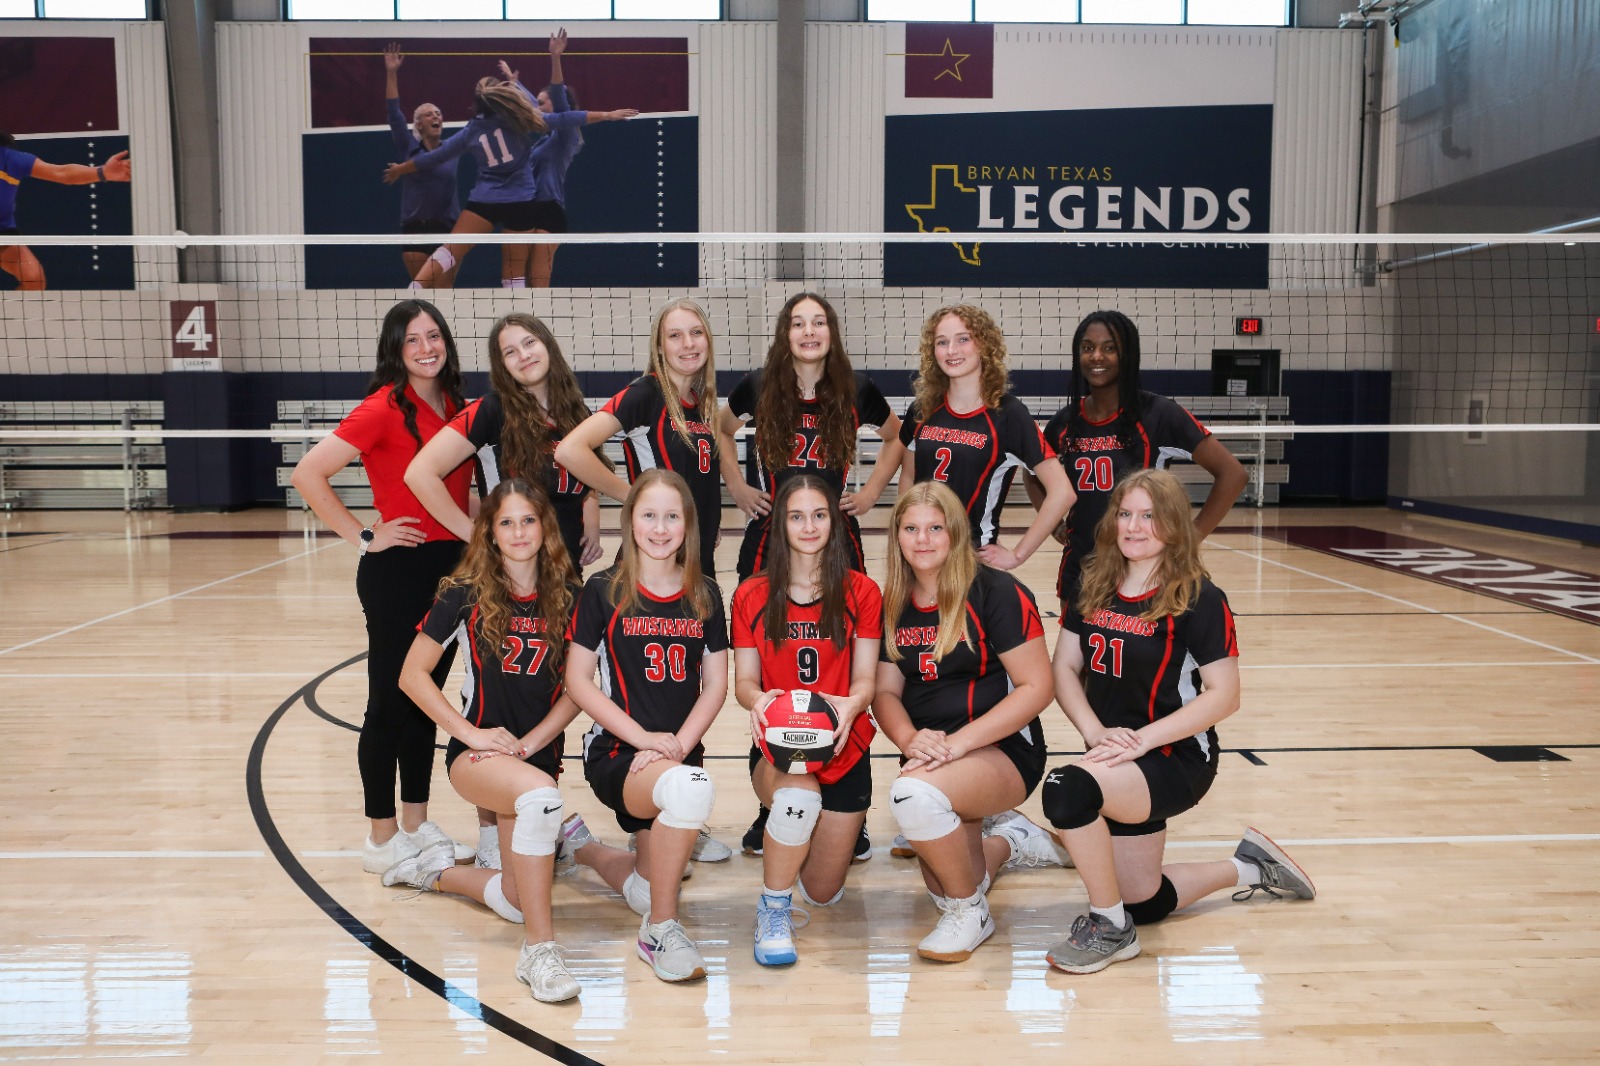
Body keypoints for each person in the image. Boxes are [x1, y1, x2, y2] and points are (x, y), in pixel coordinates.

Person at [1039, 469, 1314, 976]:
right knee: (1142, 900)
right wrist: (1095, 732)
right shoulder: (1092, 579)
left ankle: (1109, 929)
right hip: (1115, 753)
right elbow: (1064, 669)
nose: (1134, 527)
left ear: (1173, 525)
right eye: (1125, 514)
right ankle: (1250, 865)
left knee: (1066, 789)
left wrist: (1141, 740)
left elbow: (1225, 696)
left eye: (1149, 516)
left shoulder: (1199, 597)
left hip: (1176, 756)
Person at [386, 478, 631, 1003]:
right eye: (506, 522)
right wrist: (469, 732)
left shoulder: (571, 595)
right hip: (477, 757)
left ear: (545, 528)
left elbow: (577, 688)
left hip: (534, 756)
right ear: (490, 533)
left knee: (520, 898)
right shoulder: (464, 591)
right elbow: (411, 674)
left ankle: (434, 873)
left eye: (528, 520)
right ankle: (540, 952)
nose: (518, 532)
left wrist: (532, 743)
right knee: (541, 801)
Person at [290, 299, 475, 873]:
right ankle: (379, 839)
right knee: (389, 704)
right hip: (399, 569)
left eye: (433, 337)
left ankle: (415, 827)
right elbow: (308, 474)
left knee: (426, 702)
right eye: (412, 340)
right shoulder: (381, 409)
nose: (426, 348)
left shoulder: (458, 406)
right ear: (395, 351)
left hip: (454, 570)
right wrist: (364, 534)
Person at [718, 291, 899, 859]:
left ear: (832, 332)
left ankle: (850, 807)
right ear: (785, 334)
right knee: (772, 661)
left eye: (818, 322)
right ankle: (770, 802)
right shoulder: (757, 385)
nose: (809, 331)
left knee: (843, 665)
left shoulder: (856, 389)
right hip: (771, 537)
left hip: (834, 538)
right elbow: (721, 430)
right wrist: (741, 488)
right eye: (798, 323)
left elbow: (897, 438)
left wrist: (870, 493)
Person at [873, 481, 1057, 963]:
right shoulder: (892, 601)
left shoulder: (996, 591)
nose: (923, 539)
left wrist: (957, 745)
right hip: (935, 755)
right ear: (896, 536)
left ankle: (969, 911)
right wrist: (909, 737)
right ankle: (1010, 843)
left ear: (956, 532)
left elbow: (1038, 687)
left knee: (913, 796)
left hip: (1001, 750)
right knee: (942, 875)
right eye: (911, 528)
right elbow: (885, 693)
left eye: (936, 528)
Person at [563, 469, 730, 983]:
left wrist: (678, 744)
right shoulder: (602, 591)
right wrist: (644, 740)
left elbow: (717, 685)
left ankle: (582, 846)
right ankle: (660, 930)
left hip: (677, 755)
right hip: (619, 754)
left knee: (647, 884)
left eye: (672, 517)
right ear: (630, 520)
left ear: (689, 525)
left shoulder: (704, 592)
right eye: (649, 515)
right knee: (688, 792)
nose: (660, 528)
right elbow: (578, 682)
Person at [730, 476, 882, 966]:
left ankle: (798, 843)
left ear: (835, 521)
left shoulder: (862, 592)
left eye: (819, 514)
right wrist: (761, 701)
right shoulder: (752, 594)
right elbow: (744, 683)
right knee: (796, 798)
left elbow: (865, 681)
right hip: (782, 745)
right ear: (780, 524)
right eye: (796, 515)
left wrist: (847, 706)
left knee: (821, 893)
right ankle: (773, 907)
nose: (809, 525)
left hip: (844, 744)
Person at [1028, 309, 1248, 613]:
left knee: (1145, 657)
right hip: (1082, 568)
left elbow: (1233, 474)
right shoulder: (1064, 423)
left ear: (1127, 354)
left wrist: (1190, 538)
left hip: (1146, 569)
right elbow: (1031, 473)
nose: (1096, 357)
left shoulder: (1158, 414)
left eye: (1109, 347)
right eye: (1088, 348)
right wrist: (1052, 523)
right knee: (1077, 658)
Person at [382, 61, 636, 289]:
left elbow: (433, 158)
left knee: (450, 251)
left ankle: (414, 291)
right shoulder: (519, 119)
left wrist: (401, 169)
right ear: (502, 97)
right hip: (521, 201)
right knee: (513, 272)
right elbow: (565, 117)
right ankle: (520, 320)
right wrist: (606, 115)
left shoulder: (471, 131)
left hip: (486, 199)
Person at [406, 312, 603, 576]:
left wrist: (592, 525)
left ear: (547, 345)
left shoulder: (579, 414)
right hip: (508, 578)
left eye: (529, 343)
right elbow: (419, 474)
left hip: (565, 574)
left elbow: (588, 480)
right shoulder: (490, 411)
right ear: (502, 365)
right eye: (510, 352)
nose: (523, 355)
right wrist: (477, 536)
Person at [555, 298, 723, 581]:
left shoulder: (700, 402)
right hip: (654, 556)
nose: (688, 344)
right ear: (659, 347)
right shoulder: (646, 393)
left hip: (697, 553)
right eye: (674, 336)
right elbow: (570, 450)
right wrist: (633, 497)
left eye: (696, 332)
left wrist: (710, 520)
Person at [897, 303, 1075, 571]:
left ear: (983, 344)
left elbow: (1062, 492)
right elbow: (909, 478)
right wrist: (907, 532)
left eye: (963, 339)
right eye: (942, 342)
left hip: (972, 561)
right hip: (921, 557)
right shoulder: (922, 409)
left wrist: (1017, 555)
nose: (952, 350)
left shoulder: (1008, 415)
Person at [0, 132, 130, 291]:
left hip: (3, 234)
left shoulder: (11, 159)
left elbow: (62, 173)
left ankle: (10, 315)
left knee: (33, 279)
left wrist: (102, 172)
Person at [383, 43, 460, 287]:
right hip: (415, 230)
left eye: (438, 113)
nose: (436, 116)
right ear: (418, 124)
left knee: (446, 294)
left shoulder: (452, 149)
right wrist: (392, 72)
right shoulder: (409, 147)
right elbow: (394, 113)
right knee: (423, 295)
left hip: (446, 231)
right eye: (429, 114)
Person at [522, 28, 581, 288]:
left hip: (549, 210)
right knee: (522, 279)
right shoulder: (543, 141)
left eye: (542, 103)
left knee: (538, 280)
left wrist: (555, 57)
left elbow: (556, 94)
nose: (537, 107)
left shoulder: (566, 136)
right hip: (528, 208)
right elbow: (534, 108)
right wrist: (514, 83)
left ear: (558, 107)